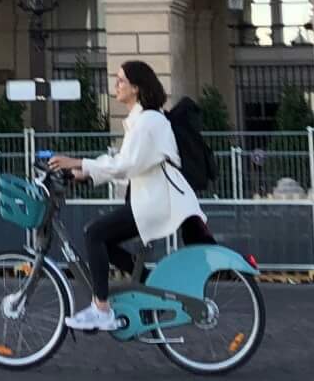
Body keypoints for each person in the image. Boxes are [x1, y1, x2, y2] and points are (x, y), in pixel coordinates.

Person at [45, 60, 212, 333]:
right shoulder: (142, 120)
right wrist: (83, 173)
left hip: (157, 202)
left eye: (121, 80)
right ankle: (150, 284)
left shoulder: (148, 121)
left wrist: (78, 162)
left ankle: (101, 309)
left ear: (136, 87)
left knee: (94, 234)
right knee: (104, 241)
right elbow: (126, 163)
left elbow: (126, 165)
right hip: (152, 199)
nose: (115, 86)